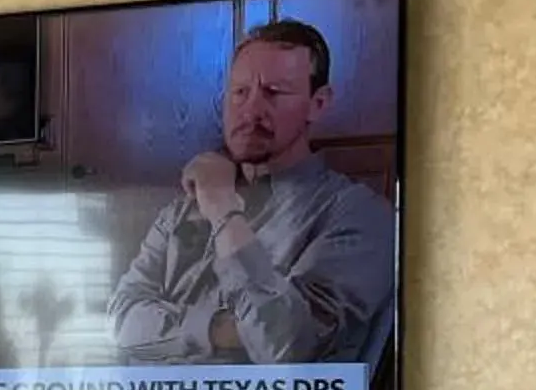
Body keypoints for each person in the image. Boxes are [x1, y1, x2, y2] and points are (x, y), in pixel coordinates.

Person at [108, 20, 396, 363]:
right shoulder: (180, 210)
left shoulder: (360, 215)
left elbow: (284, 345)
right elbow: (118, 321)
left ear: (317, 103)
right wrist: (216, 329)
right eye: (240, 92)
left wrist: (223, 210)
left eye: (274, 92)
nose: (251, 110)